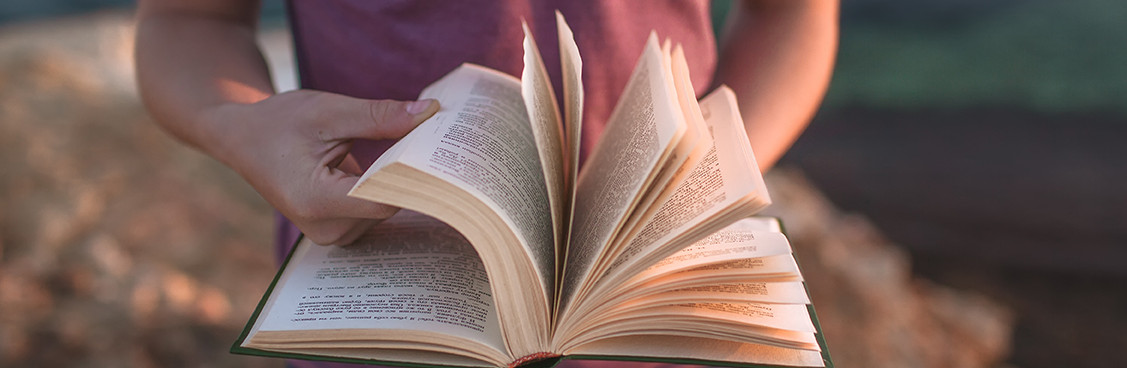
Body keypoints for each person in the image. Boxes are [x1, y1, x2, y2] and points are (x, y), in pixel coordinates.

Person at [135, 1, 837, 367]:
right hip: (378, 325)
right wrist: (239, 123)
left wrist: (713, 176)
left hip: (652, 321)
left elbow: (791, 12)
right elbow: (187, 18)